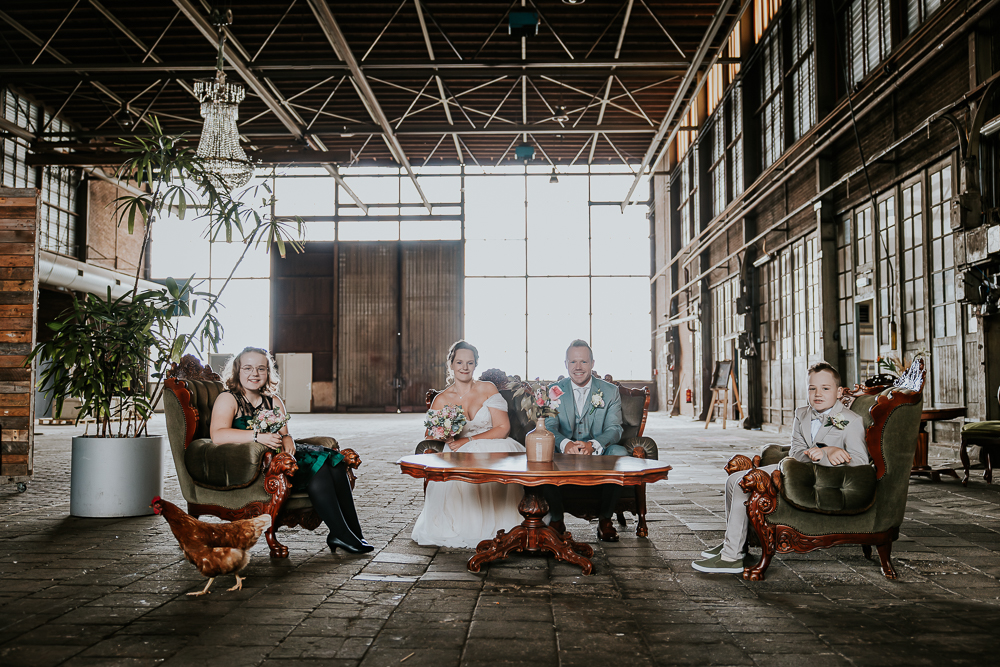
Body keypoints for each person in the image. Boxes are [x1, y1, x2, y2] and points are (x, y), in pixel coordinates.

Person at [692, 361, 868, 573]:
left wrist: (826, 453)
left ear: (839, 392)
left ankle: (731, 558)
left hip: (820, 481)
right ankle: (737, 545)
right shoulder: (802, 413)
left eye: (825, 388)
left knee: (742, 484)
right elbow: (795, 452)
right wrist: (815, 454)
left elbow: (860, 463)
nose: (817, 394)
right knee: (734, 479)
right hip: (794, 469)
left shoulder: (850, 420)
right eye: (812, 388)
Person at [210, 347, 373, 555]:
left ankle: (353, 532)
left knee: (336, 462)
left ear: (268, 372)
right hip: (255, 464)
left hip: (282, 456)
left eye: (261, 369)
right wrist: (257, 436)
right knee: (322, 467)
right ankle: (340, 533)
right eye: (248, 368)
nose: (255, 374)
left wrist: (288, 440)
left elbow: (285, 433)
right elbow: (218, 434)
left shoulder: (273, 400)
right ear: (237, 371)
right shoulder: (229, 398)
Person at [411, 341, 526, 548]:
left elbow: (503, 428)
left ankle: (504, 525)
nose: (464, 367)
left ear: (476, 364)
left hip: (494, 443)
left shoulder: (487, 388)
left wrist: (469, 439)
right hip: (458, 450)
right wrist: (446, 435)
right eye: (459, 362)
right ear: (451, 364)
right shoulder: (442, 399)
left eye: (470, 362)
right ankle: (469, 525)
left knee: (499, 456)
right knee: (457, 460)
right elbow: (430, 434)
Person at [542, 339, 628, 542]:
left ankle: (605, 520)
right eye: (573, 362)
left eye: (583, 362)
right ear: (566, 364)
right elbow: (549, 426)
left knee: (620, 453)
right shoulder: (554, 390)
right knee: (541, 454)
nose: (578, 367)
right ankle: (556, 518)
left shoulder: (609, 391)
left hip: (599, 451)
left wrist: (593, 445)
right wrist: (566, 444)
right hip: (563, 453)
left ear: (592, 363)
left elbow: (615, 429)